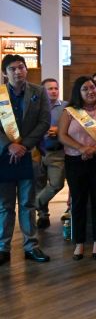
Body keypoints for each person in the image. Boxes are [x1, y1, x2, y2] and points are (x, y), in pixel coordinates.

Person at [57, 76, 96, 260]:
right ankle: (79, 242)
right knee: (78, 202)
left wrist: (94, 149)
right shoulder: (69, 112)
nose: (91, 91)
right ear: (78, 92)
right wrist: (82, 148)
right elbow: (62, 135)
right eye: (85, 89)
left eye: (93, 88)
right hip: (76, 161)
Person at [0, 55, 51, 264]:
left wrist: (24, 146)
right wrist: (9, 145)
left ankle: (31, 246)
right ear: (4, 73)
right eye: (12, 69)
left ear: (26, 69)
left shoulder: (38, 92)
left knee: (29, 204)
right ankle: (3, 248)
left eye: (21, 67)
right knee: (5, 205)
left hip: (28, 154)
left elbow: (44, 122)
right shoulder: (0, 94)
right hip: (3, 156)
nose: (18, 72)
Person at [34, 78, 66, 229]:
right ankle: (43, 216)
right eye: (50, 89)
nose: (54, 91)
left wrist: (59, 131)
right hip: (37, 152)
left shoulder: (66, 107)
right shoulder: (36, 107)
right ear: (42, 91)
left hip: (57, 153)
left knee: (56, 184)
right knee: (39, 184)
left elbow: (73, 127)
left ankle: (31, 206)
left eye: (55, 88)